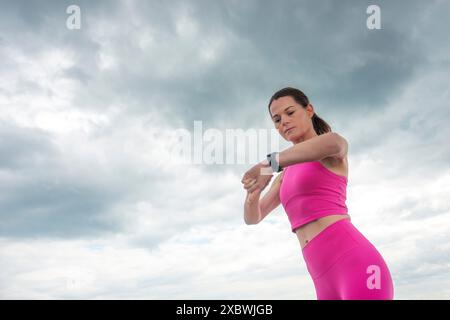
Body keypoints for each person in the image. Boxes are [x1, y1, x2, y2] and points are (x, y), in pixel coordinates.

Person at [241, 87, 394, 300]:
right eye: (276, 119)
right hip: (323, 280)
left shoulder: (329, 148)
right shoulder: (284, 175)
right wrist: (253, 194)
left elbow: (333, 143)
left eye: (290, 113)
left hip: (357, 266)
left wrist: (268, 164)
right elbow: (253, 218)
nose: (283, 121)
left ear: (309, 110)